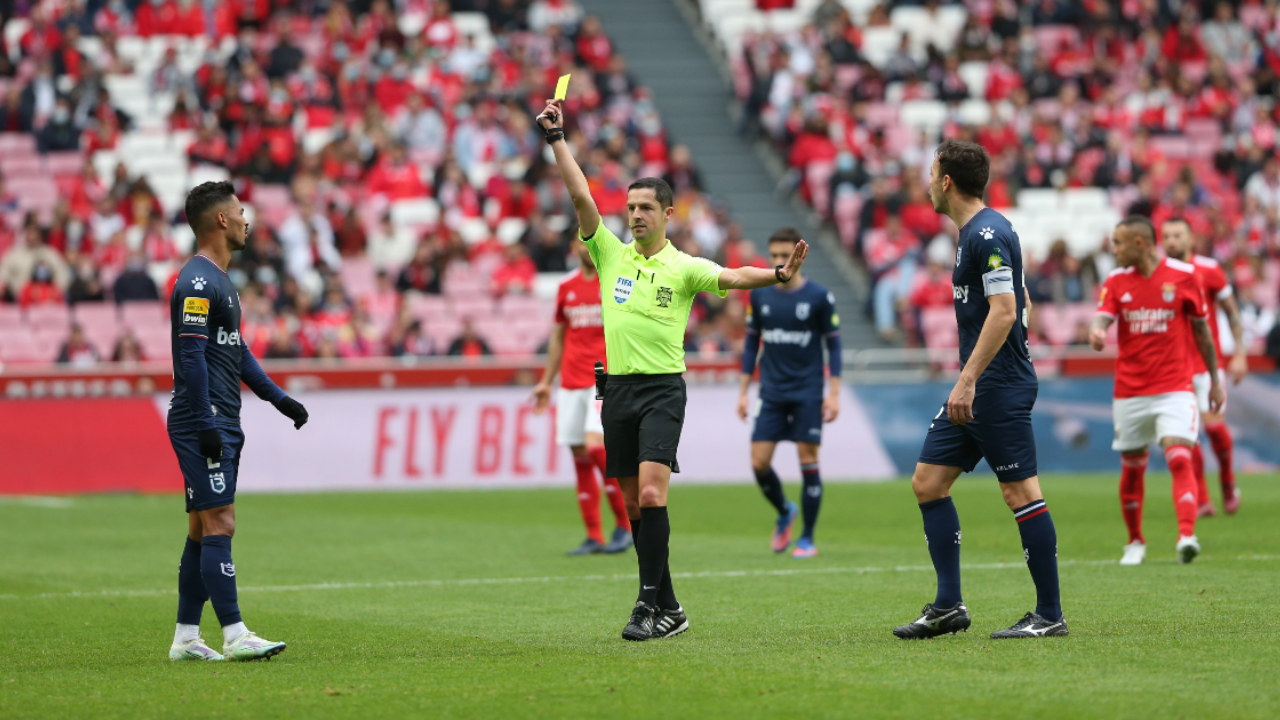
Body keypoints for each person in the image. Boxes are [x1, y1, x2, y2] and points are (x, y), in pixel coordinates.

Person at [539, 95, 809, 642]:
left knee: (652, 495)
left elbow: (734, 276)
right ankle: (671, 607)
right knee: (633, 504)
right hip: (616, 391)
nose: (635, 214)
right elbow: (580, 193)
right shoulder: (609, 253)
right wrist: (557, 140)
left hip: (663, 390)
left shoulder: (683, 266)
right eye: (631, 207)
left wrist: (778, 275)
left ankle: (645, 607)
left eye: (646, 207)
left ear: (667, 214)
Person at [894, 140, 1065, 641]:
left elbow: (1006, 310)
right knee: (928, 482)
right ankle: (949, 606)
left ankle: (1049, 614)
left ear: (946, 181)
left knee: (1020, 492)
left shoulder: (986, 233)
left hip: (995, 385)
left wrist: (968, 379)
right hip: (981, 383)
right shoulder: (979, 232)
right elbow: (1021, 297)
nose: (928, 183)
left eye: (932, 174)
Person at [166, 181, 309, 662]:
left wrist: (279, 400)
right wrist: (205, 422)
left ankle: (186, 638)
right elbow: (190, 356)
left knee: (201, 527)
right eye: (241, 211)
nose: (248, 220)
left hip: (221, 416)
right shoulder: (196, 282)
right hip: (203, 419)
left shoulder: (220, 280)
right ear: (222, 220)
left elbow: (237, 351)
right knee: (221, 522)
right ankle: (235, 634)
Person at [1091, 217, 1224, 567]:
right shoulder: (1116, 279)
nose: (1114, 249)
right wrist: (1097, 331)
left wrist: (1214, 379)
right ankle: (1135, 541)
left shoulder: (1185, 276)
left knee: (1179, 457)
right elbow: (1103, 315)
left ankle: (1186, 536)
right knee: (1133, 468)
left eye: (1118, 243)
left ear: (1139, 243)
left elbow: (1202, 332)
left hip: (1175, 388)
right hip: (1130, 391)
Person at [736, 227, 841, 558]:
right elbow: (751, 343)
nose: (781, 261)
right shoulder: (760, 295)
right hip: (771, 392)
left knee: (808, 459)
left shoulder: (819, 297)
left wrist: (834, 393)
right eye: (775, 256)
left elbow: (834, 347)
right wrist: (743, 391)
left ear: (800, 255)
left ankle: (807, 539)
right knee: (758, 462)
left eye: (786, 255)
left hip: (807, 391)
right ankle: (785, 510)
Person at [531, 239, 633, 556]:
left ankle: (626, 525)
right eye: (581, 242)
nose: (587, 248)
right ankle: (593, 535)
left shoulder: (615, 281)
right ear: (575, 246)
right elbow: (559, 336)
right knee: (580, 456)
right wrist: (546, 382)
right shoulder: (566, 286)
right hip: (571, 380)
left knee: (596, 446)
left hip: (604, 377)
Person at [1159, 218, 1246, 517]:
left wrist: (1240, 354)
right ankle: (1203, 498)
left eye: (1177, 235)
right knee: (1189, 435)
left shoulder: (1209, 269)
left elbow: (1232, 312)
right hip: (1176, 367)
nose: (1172, 241)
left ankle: (1227, 481)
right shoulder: (1159, 274)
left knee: (1215, 428)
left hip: (1208, 363)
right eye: (1167, 236)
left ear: (1190, 239)